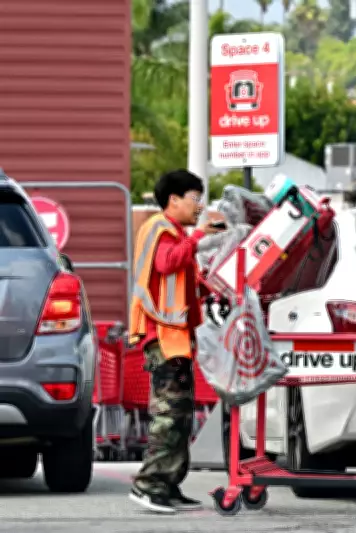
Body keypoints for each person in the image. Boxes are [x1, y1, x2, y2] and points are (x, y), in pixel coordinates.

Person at [128, 170, 221, 514]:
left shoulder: (177, 234)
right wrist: (197, 237)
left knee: (181, 416)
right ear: (174, 200)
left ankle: (168, 484)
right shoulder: (159, 229)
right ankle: (148, 484)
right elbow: (167, 263)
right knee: (168, 415)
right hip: (162, 337)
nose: (199, 206)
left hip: (176, 338)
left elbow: (185, 279)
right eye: (195, 199)